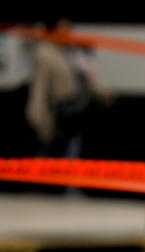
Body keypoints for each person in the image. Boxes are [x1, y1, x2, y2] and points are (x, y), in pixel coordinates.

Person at [24, 13, 109, 159]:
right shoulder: (45, 54)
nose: (67, 32)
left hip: (73, 120)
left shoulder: (71, 52)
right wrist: (41, 124)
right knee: (50, 168)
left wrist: (100, 93)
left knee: (70, 163)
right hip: (53, 123)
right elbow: (39, 91)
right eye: (63, 28)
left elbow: (84, 77)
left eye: (68, 28)